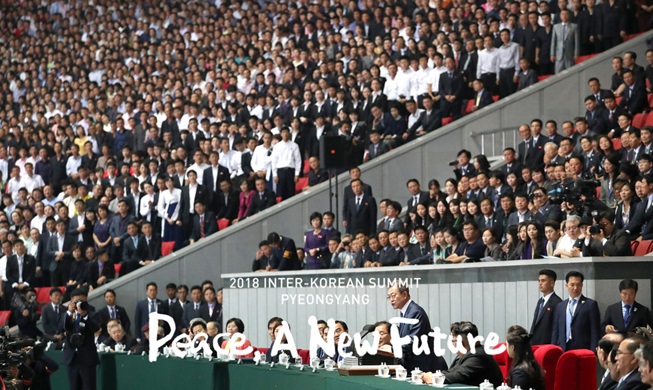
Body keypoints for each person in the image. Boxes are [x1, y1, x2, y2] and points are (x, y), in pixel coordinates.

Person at [387, 282, 447, 373]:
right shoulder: (405, 312)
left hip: (422, 367)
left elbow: (413, 340)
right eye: (389, 297)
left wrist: (391, 348)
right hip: (413, 366)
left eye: (393, 296)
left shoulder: (415, 312)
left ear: (404, 294)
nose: (391, 300)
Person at [422, 321, 503, 386]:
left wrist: (434, 378)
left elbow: (458, 375)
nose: (454, 345)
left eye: (455, 341)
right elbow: (452, 371)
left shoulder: (478, 356)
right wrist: (434, 375)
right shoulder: (466, 355)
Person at [551, 271, 601, 351]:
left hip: (583, 348)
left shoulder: (590, 304)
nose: (575, 288)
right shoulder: (560, 306)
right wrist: (553, 348)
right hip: (563, 348)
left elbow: (595, 330)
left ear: (582, 286)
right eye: (572, 285)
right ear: (566, 285)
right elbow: (556, 330)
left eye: (578, 285)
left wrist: (593, 351)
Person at [61, 300, 99, 390]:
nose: (79, 307)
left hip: (87, 358)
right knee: (74, 387)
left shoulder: (91, 314)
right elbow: (63, 327)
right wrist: (70, 312)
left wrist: (84, 316)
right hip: (72, 357)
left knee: (89, 386)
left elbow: (95, 328)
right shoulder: (68, 316)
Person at [505, 325, 546, 390]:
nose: (506, 347)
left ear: (512, 347)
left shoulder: (519, 373)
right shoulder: (532, 365)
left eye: (506, 344)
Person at [530, 269, 563, 345]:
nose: (540, 283)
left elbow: (557, 328)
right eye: (539, 281)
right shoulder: (540, 301)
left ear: (552, 283)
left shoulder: (557, 302)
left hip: (547, 345)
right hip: (536, 344)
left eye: (543, 281)